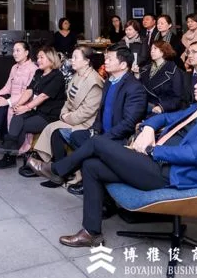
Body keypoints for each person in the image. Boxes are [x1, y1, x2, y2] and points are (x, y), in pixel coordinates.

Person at [27, 66, 197, 247]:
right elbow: (164, 118)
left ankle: (57, 171)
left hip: (171, 173)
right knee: (92, 166)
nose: (195, 85)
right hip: (155, 163)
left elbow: (194, 154)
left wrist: (151, 150)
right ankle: (91, 233)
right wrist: (149, 128)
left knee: (96, 143)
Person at [61, 45, 147, 195]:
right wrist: (95, 130)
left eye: (109, 59)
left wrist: (104, 138)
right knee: (76, 136)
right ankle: (85, 177)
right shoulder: (109, 81)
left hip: (120, 138)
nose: (105, 61)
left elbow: (128, 123)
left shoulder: (134, 87)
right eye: (106, 58)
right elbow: (101, 111)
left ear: (123, 65)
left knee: (92, 148)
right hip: (103, 134)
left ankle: (62, 171)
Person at [31, 46, 104, 185]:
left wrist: (68, 118)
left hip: (86, 123)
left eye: (76, 57)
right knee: (53, 130)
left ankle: (58, 173)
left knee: (56, 131)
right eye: (72, 57)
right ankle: (58, 173)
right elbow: (67, 101)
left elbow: (87, 111)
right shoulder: (77, 76)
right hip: (71, 117)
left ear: (87, 61)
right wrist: (64, 114)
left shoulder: (94, 81)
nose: (72, 60)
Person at [0, 47, 66, 161]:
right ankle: (10, 150)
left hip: (49, 115)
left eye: (41, 57)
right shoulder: (38, 72)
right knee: (17, 115)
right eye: (38, 57)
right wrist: (18, 105)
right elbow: (29, 91)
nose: (38, 60)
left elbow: (43, 96)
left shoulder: (57, 76)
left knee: (22, 124)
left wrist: (26, 107)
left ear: (51, 59)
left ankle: (9, 155)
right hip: (37, 111)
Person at [0, 41, 38, 150]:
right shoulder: (14, 67)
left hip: (24, 102)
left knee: (4, 104)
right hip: (12, 99)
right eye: (14, 51)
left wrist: (7, 102)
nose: (14, 53)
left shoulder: (33, 69)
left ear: (26, 53)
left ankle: (3, 137)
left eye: (18, 50)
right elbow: (8, 87)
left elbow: (28, 93)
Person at [139, 41, 185, 114]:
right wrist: (137, 76)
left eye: (155, 48)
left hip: (161, 109)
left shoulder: (173, 71)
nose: (152, 51)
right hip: (143, 105)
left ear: (163, 51)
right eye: (151, 49)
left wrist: (162, 107)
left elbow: (178, 98)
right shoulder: (145, 68)